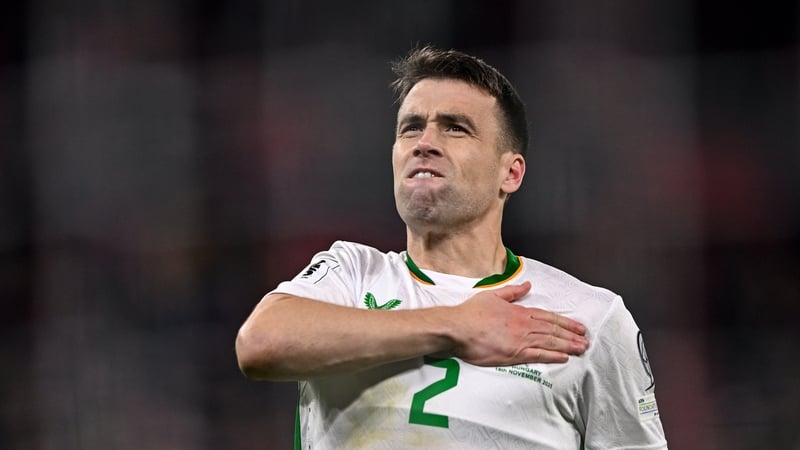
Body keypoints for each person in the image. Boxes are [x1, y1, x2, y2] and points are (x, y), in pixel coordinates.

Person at [236, 46, 667, 449]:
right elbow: (259, 344)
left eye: (455, 128)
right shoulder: (351, 274)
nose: (424, 142)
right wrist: (457, 324)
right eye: (411, 128)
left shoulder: (590, 316)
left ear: (511, 173)